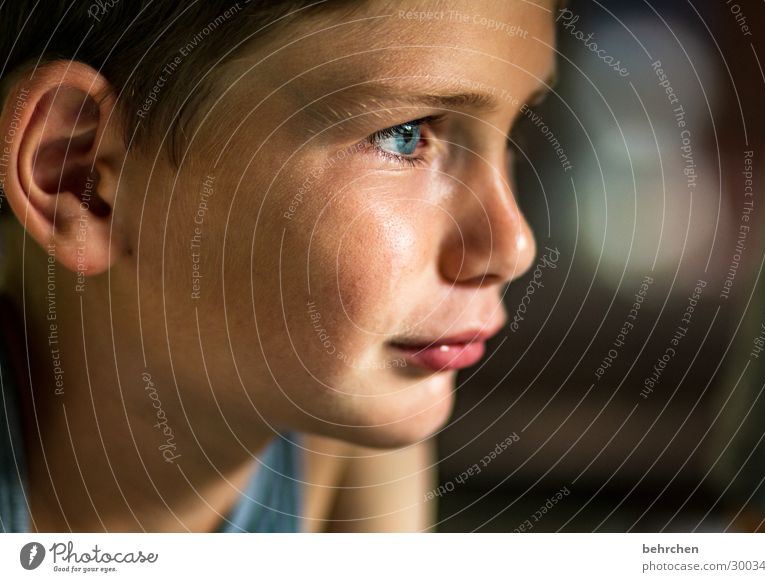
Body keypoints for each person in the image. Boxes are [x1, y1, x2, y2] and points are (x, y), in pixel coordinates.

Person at [0, 0, 555, 532]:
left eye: (515, 131)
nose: (513, 246)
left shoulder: (348, 454)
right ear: (81, 177)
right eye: (404, 135)